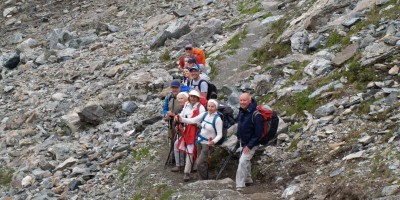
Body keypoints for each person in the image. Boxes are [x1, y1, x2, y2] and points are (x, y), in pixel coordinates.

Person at [176, 99, 222, 180]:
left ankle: (203, 180)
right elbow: (193, 120)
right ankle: (202, 178)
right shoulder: (205, 114)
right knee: (202, 162)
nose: (210, 108)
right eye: (209, 106)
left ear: (216, 108)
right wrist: (181, 119)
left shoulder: (218, 119)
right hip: (199, 141)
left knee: (199, 163)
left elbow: (219, 134)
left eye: (212, 106)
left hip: (207, 144)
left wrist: (213, 141)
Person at [173, 90, 206, 181]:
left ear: (197, 98)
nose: (193, 98)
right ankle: (185, 167)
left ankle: (187, 172)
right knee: (187, 149)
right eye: (191, 97)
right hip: (187, 131)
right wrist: (178, 118)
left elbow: (198, 122)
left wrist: (182, 119)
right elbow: (182, 114)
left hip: (197, 132)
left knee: (191, 150)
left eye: (194, 97)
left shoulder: (201, 108)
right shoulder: (187, 105)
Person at [235, 93, 263, 191]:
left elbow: (258, 133)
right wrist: (238, 137)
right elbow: (240, 125)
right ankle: (248, 179)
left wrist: (249, 146)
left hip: (252, 143)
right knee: (246, 160)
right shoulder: (242, 111)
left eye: (244, 100)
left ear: (249, 101)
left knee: (242, 161)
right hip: (243, 141)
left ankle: (239, 185)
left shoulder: (256, 115)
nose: (242, 102)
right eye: (241, 100)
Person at [162, 80, 184, 165]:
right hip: (171, 122)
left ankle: (181, 161)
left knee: (180, 141)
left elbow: (186, 111)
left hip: (181, 123)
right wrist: (166, 114)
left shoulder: (183, 97)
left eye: (176, 87)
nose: (174, 89)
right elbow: (165, 108)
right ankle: (174, 158)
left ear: (179, 88)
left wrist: (174, 114)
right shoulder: (169, 97)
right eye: (173, 87)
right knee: (172, 139)